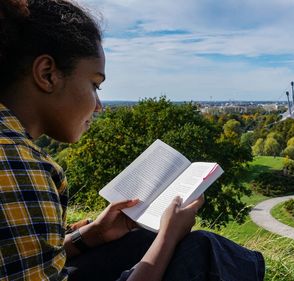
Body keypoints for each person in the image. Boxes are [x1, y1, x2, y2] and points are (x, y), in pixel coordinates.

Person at [0, 1, 265, 280]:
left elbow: (22, 263)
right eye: (95, 84)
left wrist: (95, 234)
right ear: (47, 74)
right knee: (203, 250)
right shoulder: (21, 167)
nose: (99, 105)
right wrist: (168, 236)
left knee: (139, 242)